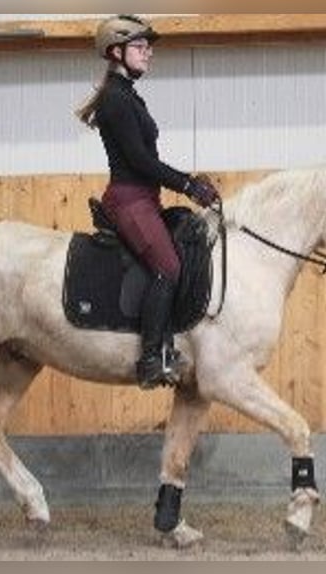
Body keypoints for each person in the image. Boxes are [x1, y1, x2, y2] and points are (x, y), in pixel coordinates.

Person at [76, 14, 220, 389]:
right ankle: (151, 358)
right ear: (117, 51)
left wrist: (187, 185)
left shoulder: (127, 95)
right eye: (141, 47)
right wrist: (188, 184)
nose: (148, 53)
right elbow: (140, 161)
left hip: (144, 199)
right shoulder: (115, 99)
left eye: (147, 47)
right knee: (168, 267)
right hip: (129, 200)